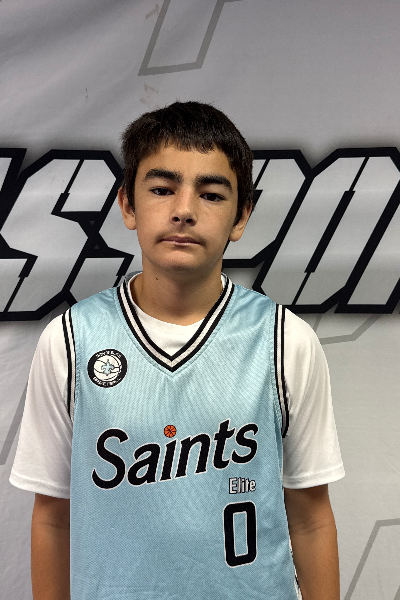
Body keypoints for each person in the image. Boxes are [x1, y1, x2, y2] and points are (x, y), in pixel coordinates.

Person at [10, 101, 344, 600]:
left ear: (241, 216)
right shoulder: (70, 340)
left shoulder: (285, 340)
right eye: (162, 189)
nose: (184, 209)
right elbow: (53, 517)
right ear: (127, 205)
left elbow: (311, 516)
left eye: (211, 194)